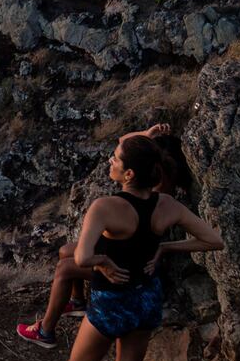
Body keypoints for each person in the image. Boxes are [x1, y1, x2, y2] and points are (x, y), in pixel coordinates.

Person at [10, 136, 224, 361]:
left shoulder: (106, 207)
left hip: (112, 303)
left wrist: (104, 263)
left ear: (128, 175)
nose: (111, 161)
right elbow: (213, 240)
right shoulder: (167, 205)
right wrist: (165, 247)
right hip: (147, 301)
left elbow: (81, 257)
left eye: (115, 159)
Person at [16, 124, 182, 349]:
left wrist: (104, 261)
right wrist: (147, 134)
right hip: (126, 250)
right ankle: (77, 302)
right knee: (66, 250)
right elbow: (123, 141)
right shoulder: (155, 176)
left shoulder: (155, 189)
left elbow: (123, 143)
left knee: (65, 267)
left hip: (127, 267)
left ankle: (45, 331)